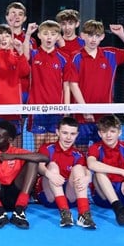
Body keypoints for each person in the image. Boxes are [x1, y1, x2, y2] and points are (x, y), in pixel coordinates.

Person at [67, 21, 124, 150]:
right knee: (80, 151)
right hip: (82, 116)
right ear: (82, 36)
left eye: (97, 36)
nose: (93, 39)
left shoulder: (111, 54)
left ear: (102, 37)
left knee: (103, 152)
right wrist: (85, 110)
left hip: (104, 115)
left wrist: (122, 34)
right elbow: (73, 85)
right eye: (90, 35)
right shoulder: (75, 57)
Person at [36, 117, 96, 229]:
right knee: (52, 166)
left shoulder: (78, 154)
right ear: (57, 132)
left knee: (79, 168)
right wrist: (50, 175)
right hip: (49, 196)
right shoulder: (47, 148)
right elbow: (39, 167)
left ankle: (83, 214)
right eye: (65, 133)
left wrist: (88, 178)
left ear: (77, 134)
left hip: (70, 197)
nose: (68, 137)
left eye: (72, 134)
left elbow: (86, 171)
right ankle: (65, 212)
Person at [22, 20, 71, 150]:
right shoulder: (33, 54)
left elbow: (66, 86)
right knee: (39, 146)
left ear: (58, 37)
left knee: (52, 146)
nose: (49, 37)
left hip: (56, 109)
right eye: (45, 33)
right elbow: (24, 54)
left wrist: (66, 109)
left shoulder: (64, 58)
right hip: (37, 108)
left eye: (53, 34)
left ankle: (50, 170)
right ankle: (38, 171)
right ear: (39, 35)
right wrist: (27, 35)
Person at [0, 24, 30, 148]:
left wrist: (20, 53)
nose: (3, 38)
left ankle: (17, 167)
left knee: (15, 143)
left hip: (14, 110)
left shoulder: (16, 56)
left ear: (12, 39)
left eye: (7, 36)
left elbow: (25, 72)